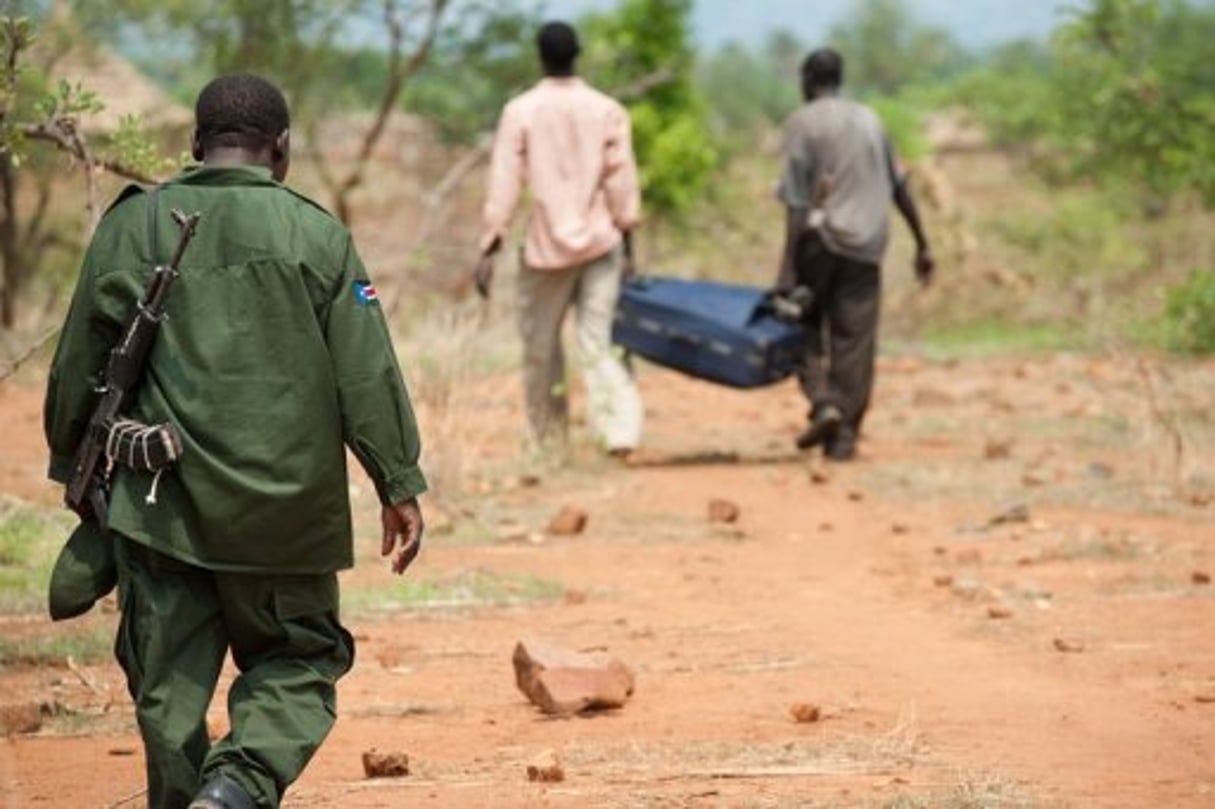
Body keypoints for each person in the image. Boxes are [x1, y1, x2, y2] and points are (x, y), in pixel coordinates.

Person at [43, 74, 427, 809]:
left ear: (195, 144)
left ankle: (199, 795)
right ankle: (236, 789)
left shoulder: (133, 227)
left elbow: (77, 367)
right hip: (285, 514)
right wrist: (396, 480)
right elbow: (366, 371)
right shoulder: (317, 233)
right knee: (298, 657)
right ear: (280, 148)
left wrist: (76, 468)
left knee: (167, 688)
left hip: (162, 505)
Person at [475, 20, 644, 457]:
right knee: (598, 340)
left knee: (540, 346)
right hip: (602, 243)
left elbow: (505, 182)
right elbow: (621, 179)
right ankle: (618, 432)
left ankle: (549, 436)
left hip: (545, 247)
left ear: (540, 56)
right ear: (578, 53)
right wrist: (629, 239)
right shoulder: (606, 109)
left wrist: (490, 242)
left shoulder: (522, 111)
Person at [776, 48, 934, 461]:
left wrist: (787, 268)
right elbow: (899, 187)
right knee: (855, 342)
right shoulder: (871, 120)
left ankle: (824, 400)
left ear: (807, 80)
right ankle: (844, 436)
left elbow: (796, 202)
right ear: (839, 79)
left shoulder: (802, 123)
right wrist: (922, 242)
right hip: (867, 245)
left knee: (802, 328)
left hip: (819, 240)